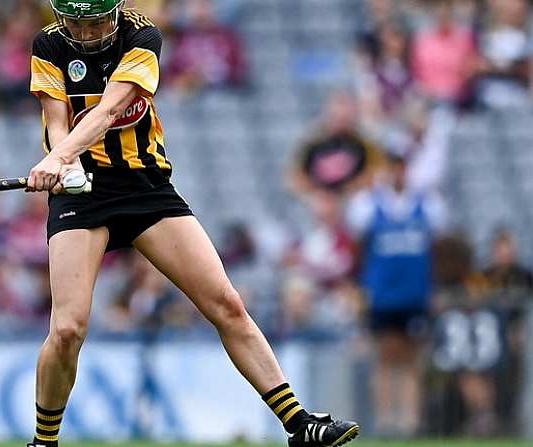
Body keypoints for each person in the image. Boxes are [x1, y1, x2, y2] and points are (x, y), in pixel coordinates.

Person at [24, 1, 359, 446]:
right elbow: (56, 120)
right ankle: (44, 443)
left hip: (145, 187)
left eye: (97, 22)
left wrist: (57, 156)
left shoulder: (142, 37)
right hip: (81, 194)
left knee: (226, 302)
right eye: (78, 25)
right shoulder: (48, 44)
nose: (87, 35)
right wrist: (60, 161)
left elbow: (107, 112)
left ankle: (299, 424)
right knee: (67, 329)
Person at [347, 150, 447, 437]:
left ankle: (410, 420)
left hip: (415, 295)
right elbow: (358, 250)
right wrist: (361, 287)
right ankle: (385, 419)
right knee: (384, 357)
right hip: (383, 296)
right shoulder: (367, 206)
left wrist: (433, 287)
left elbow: (437, 249)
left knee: (411, 359)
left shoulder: (428, 204)